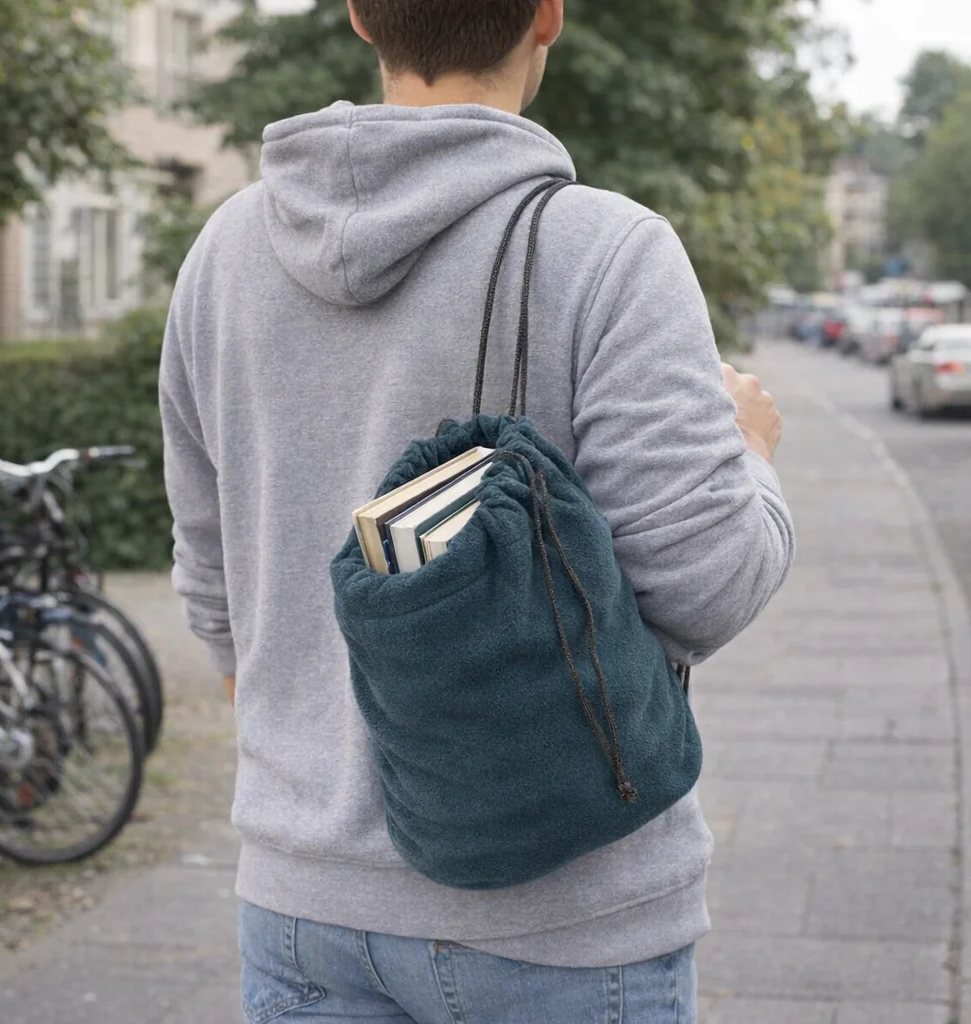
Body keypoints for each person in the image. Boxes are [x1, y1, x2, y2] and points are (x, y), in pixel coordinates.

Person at [159, 1, 794, 1020]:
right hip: (564, 917)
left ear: (363, 18)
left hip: (300, 905)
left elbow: (208, 566)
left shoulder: (225, 252)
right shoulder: (608, 251)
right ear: (546, 15)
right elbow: (704, 586)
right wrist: (749, 451)